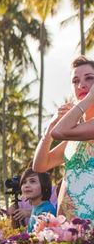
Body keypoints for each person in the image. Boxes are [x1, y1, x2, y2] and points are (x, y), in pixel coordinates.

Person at [33, 56, 94, 219]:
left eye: (90, 78)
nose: (81, 85)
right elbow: (40, 166)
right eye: (75, 81)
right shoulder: (74, 135)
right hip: (68, 224)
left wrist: (89, 98)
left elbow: (60, 132)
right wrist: (49, 128)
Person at [19, 168, 56, 232]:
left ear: (45, 186)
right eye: (24, 182)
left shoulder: (46, 211)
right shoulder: (37, 207)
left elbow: (40, 240)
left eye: (32, 181)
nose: (26, 185)